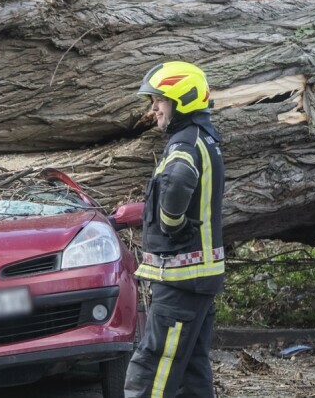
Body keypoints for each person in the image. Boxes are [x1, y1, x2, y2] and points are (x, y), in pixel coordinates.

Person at [124, 61, 225, 398]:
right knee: (190, 374)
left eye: (160, 101)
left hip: (180, 279)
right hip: (198, 279)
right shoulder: (203, 139)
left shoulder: (184, 144)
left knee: (153, 367)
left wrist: (171, 222)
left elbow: (179, 179)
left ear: (182, 100)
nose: (154, 109)